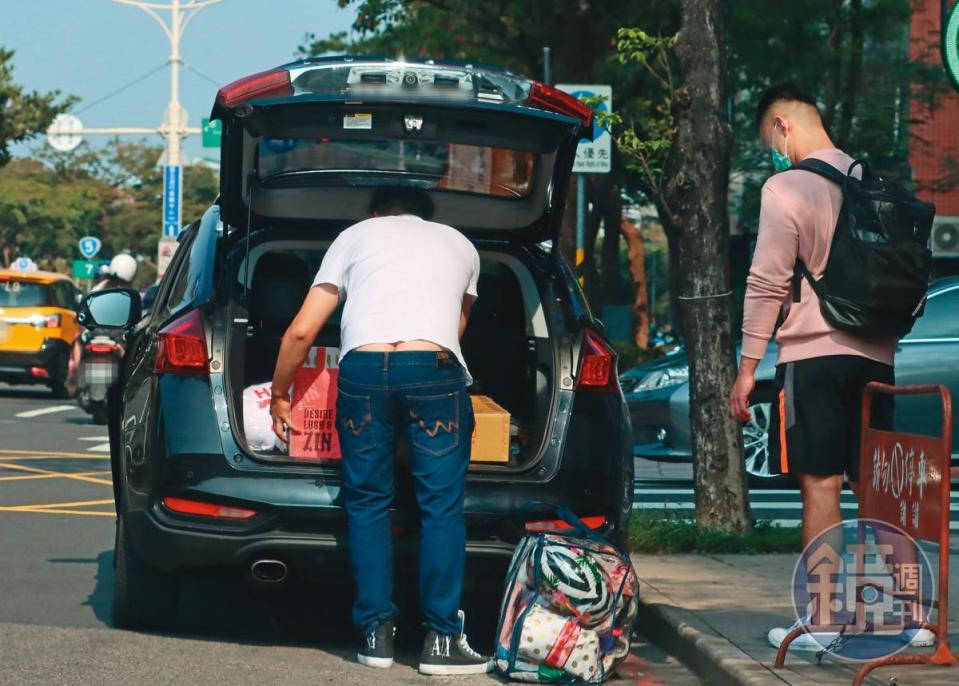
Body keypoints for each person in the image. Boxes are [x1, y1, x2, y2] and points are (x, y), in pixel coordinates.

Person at [727, 83, 932, 651]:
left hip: (813, 359)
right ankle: (897, 617)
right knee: (877, 488)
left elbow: (767, 281)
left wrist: (747, 368)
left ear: (782, 127)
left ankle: (821, 623)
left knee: (821, 483)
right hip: (878, 357)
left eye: (770, 137)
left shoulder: (785, 187)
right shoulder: (877, 185)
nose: (774, 149)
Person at [269, 187, 492, 676]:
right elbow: (455, 330)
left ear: (376, 215)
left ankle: (375, 634)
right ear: (426, 217)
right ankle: (441, 641)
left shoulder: (353, 237)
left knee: (366, 500)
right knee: (440, 504)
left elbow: (303, 332)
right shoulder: (460, 244)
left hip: (363, 370)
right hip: (433, 368)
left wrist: (282, 395)